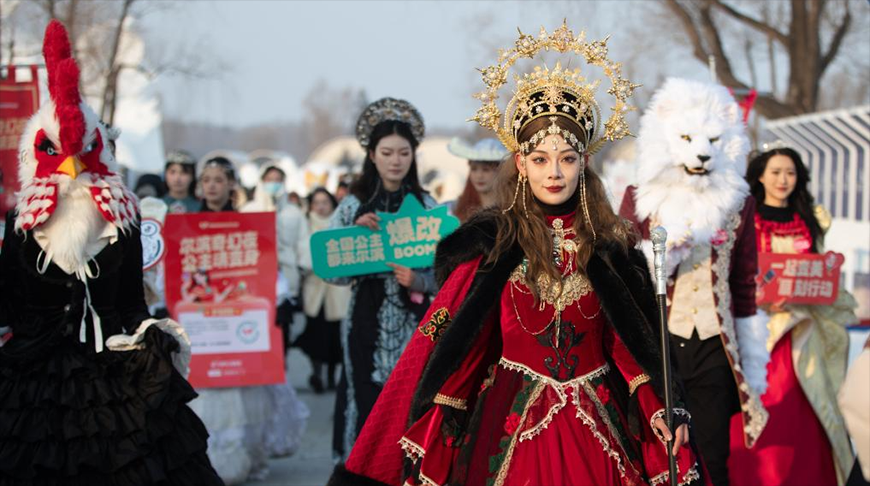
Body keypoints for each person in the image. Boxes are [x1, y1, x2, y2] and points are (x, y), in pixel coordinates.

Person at [328, 23, 701, 486]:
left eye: (566, 158)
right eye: (540, 159)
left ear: (584, 161)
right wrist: (441, 404)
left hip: (598, 419)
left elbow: (634, 343)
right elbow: (464, 334)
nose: (554, 172)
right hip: (506, 416)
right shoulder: (494, 242)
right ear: (521, 164)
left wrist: (661, 403)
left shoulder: (611, 245)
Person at [0, 20, 223, 485]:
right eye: (57, 152)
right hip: (32, 380)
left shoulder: (124, 216)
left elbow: (129, 302)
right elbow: (9, 297)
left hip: (112, 368)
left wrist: (148, 334)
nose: (71, 167)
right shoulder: (20, 220)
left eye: (83, 151)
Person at [619, 78, 765, 486]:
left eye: (712, 141)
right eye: (687, 139)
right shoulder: (640, 197)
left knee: (712, 455)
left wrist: (752, 361)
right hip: (656, 341)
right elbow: (623, 273)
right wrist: (665, 252)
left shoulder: (740, 204)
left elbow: (744, 282)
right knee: (655, 453)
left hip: (713, 345)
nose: (701, 152)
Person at [727, 144, 857, 486]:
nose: (783, 180)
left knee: (808, 407)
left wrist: (825, 277)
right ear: (760, 176)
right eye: (775, 172)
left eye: (790, 172)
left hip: (804, 329)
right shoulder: (744, 219)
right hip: (760, 330)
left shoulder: (811, 218)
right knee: (768, 405)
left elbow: (816, 268)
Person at [328, 97, 440, 462]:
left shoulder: (427, 206)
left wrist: (420, 281)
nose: (396, 161)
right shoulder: (351, 206)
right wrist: (354, 239)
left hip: (417, 322)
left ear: (413, 156)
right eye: (387, 152)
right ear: (372, 155)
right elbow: (332, 271)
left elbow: (450, 271)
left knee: (413, 404)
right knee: (366, 401)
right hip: (365, 320)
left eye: (403, 153)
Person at [295, 187, 350, 393]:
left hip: (337, 289)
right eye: (316, 202)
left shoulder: (340, 225)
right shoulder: (304, 224)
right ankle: (316, 373)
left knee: (334, 336)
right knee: (315, 333)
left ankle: (330, 375)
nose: (320, 206)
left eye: (324, 202)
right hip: (314, 287)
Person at [447, 137, 507, 222]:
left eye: (486, 170)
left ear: (501, 171)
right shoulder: (453, 208)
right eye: (474, 169)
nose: (479, 176)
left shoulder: (512, 208)